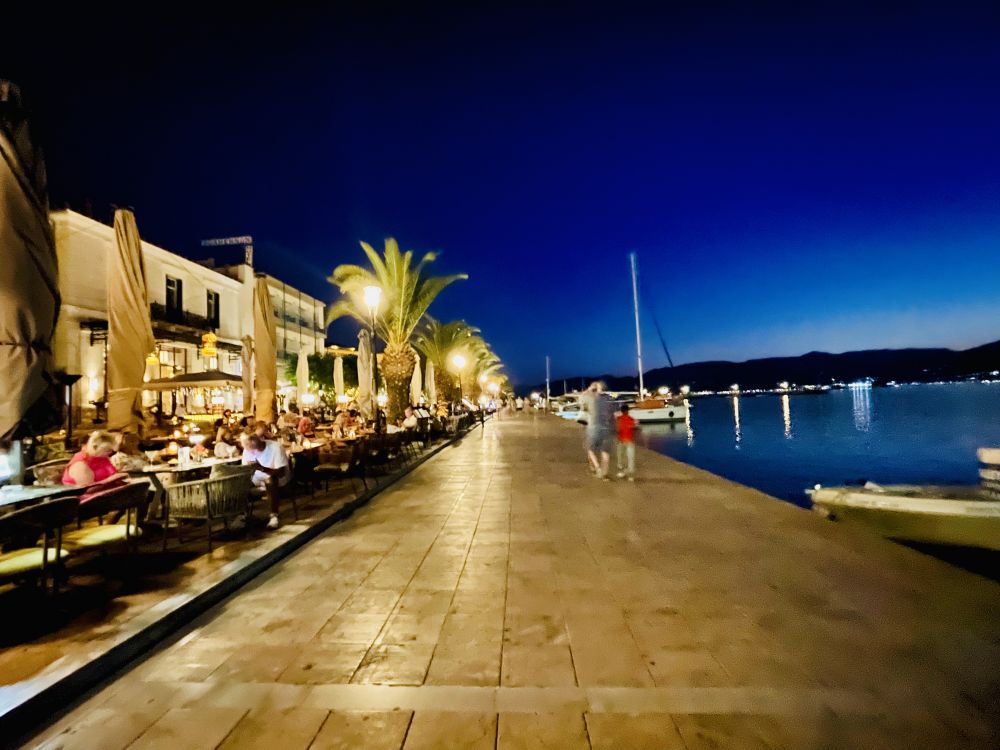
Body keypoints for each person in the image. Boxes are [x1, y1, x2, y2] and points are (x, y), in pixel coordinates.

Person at [241, 433, 290, 530]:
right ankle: (242, 515)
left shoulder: (275, 447)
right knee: (239, 483)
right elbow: (245, 469)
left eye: (253, 450)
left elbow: (281, 473)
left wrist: (262, 468)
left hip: (276, 477)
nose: (251, 453)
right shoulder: (247, 450)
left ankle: (274, 515)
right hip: (256, 477)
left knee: (270, 480)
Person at [582, 381, 614, 479]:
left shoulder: (593, 398)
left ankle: (598, 468)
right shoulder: (609, 399)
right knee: (605, 452)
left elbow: (582, 398)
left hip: (595, 427)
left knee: (589, 449)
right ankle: (604, 473)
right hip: (607, 428)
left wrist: (589, 389)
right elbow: (613, 414)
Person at [615, 403, 638, 481]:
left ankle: (623, 472)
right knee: (630, 459)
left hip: (621, 441)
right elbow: (635, 429)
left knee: (622, 458)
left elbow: (617, 430)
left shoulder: (619, 419)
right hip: (630, 441)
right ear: (628, 411)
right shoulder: (631, 419)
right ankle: (630, 476)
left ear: (621, 411)